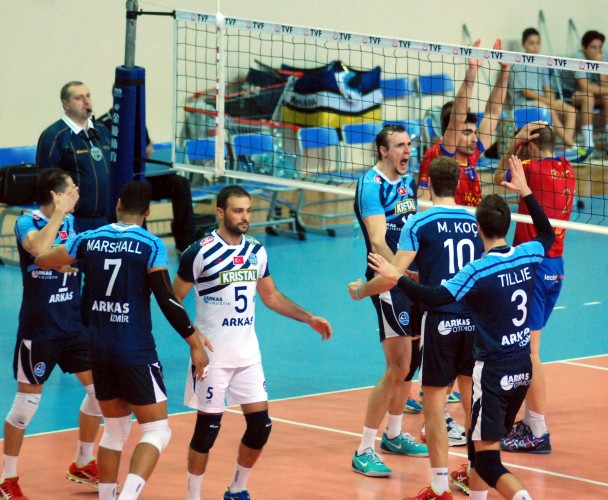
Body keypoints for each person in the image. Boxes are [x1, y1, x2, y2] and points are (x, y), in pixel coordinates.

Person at [368, 155, 556, 500]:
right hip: (516, 364)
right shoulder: (528, 253)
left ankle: (444, 486)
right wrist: (526, 191)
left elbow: (437, 296)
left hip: (485, 360)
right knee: (482, 440)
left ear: (479, 228)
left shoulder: (476, 270)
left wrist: (396, 277)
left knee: (474, 446)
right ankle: (473, 485)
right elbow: (546, 232)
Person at [34, 181, 210, 500]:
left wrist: (63, 263)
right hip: (135, 350)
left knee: (115, 432)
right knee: (157, 430)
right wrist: (194, 342)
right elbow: (167, 298)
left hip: (98, 349)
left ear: (117, 205)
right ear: (148, 212)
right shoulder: (150, 244)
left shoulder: (87, 239)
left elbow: (42, 260)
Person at [172, 184, 332, 500]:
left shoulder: (256, 251)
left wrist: (308, 318)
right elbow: (173, 299)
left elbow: (271, 296)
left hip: (247, 356)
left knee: (261, 427)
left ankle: (237, 489)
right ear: (220, 213)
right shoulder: (200, 252)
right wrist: (193, 336)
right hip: (213, 358)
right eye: (237, 211)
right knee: (206, 432)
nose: (245, 217)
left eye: (248, 210)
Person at [350, 157, 483, 499]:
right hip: (473, 321)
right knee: (469, 398)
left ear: (427, 184)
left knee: (432, 401)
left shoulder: (419, 222)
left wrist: (361, 290)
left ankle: (438, 487)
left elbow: (392, 276)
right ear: (458, 184)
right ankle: (474, 473)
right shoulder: (475, 220)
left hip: (440, 320)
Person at [0, 170, 102, 500]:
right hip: (39, 328)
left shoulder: (72, 222)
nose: (77, 191)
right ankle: (7, 478)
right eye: (71, 189)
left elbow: (65, 254)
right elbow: (39, 248)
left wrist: (60, 259)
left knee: (100, 393)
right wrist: (58, 218)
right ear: (56, 196)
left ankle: (82, 463)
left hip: (71, 325)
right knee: (26, 405)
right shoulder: (25, 221)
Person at [346, 124, 428, 479]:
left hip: (410, 278)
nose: (407, 150)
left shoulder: (407, 181)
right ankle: (364, 449)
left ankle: (394, 435)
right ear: (383, 150)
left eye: (409, 144)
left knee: (411, 363)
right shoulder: (370, 185)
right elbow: (378, 239)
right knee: (397, 366)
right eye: (399, 146)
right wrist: (401, 273)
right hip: (389, 280)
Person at [495, 122, 575, 455]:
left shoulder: (530, 170)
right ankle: (528, 421)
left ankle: (538, 430)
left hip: (534, 268)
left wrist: (514, 142)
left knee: (530, 352)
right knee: (529, 348)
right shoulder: (568, 168)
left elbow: (497, 176)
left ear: (529, 146)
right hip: (556, 267)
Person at [418, 39, 511, 207]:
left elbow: (492, 113)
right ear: (449, 131)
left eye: (474, 132)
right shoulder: (440, 154)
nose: (475, 139)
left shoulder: (471, 154)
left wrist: (505, 70)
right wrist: (472, 70)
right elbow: (457, 119)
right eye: (467, 133)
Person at [98, 107, 197, 253]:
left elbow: (148, 149)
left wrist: (150, 153)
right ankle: (143, 243)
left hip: (145, 175)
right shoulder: (103, 125)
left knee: (180, 183)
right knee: (141, 187)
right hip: (125, 180)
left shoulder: (138, 121)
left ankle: (186, 243)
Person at [37, 81, 112, 232]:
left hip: (106, 218)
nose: (86, 101)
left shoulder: (102, 130)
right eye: (79, 98)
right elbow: (47, 182)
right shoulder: (54, 136)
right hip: (74, 221)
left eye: (88, 96)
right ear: (66, 104)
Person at [510, 28, 586, 159]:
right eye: (531, 43)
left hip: (543, 101)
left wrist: (552, 100)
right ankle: (573, 144)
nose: (535, 46)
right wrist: (549, 102)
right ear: (523, 44)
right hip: (525, 103)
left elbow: (547, 87)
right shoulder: (517, 64)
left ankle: (568, 149)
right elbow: (526, 92)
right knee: (549, 110)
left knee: (571, 111)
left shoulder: (541, 62)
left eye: (537, 43)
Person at [561, 30, 608, 155]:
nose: (597, 51)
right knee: (588, 96)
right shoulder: (578, 58)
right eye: (593, 47)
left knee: (606, 97)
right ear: (584, 47)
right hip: (568, 95)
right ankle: (589, 146)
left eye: (599, 47)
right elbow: (585, 87)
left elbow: (604, 86)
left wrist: (601, 65)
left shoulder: (602, 57)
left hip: (587, 93)